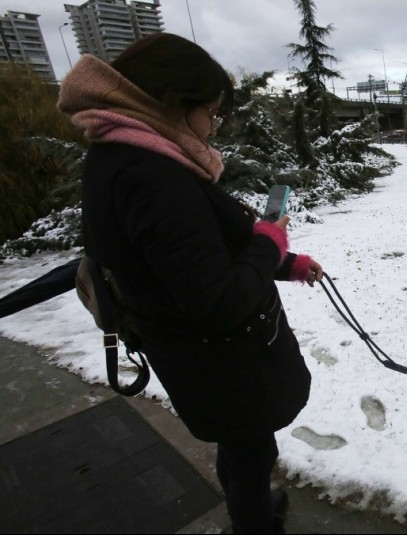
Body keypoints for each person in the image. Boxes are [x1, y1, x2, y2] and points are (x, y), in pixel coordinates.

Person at [57, 33, 323, 534]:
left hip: (191, 352)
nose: (214, 127)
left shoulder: (118, 155)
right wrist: (270, 241)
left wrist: (283, 263)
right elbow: (217, 300)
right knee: (250, 449)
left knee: (242, 446)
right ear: (176, 104)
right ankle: (255, 523)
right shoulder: (151, 175)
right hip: (221, 360)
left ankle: (253, 508)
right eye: (212, 113)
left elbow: (185, 256)